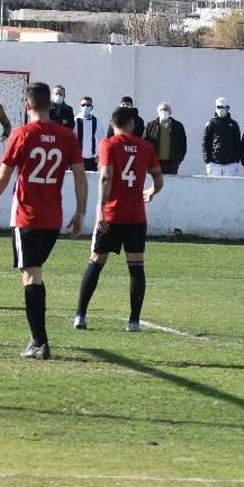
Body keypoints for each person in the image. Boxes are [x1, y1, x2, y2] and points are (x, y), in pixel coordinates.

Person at [0, 82, 88, 360]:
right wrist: (80, 212)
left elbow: (5, 172)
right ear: (51, 105)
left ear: (27, 105)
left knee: (31, 274)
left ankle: (39, 342)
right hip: (53, 218)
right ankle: (38, 338)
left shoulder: (22, 133)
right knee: (33, 272)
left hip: (27, 216)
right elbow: (80, 176)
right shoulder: (67, 136)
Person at [75, 106, 164, 332]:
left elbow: (105, 177)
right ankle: (133, 321)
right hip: (136, 216)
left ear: (113, 124)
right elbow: (159, 180)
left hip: (112, 215)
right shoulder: (146, 147)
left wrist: (101, 209)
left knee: (96, 262)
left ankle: (80, 316)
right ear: (132, 124)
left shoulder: (108, 144)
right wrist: (151, 192)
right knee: (136, 267)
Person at [202, 97, 243, 177]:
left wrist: (236, 160)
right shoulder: (210, 124)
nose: (220, 109)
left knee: (230, 188)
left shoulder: (234, 124)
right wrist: (208, 161)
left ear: (227, 108)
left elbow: (237, 143)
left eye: (222, 107)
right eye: (218, 107)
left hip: (231, 164)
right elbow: (205, 143)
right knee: (213, 188)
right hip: (214, 164)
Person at [144, 102, 187, 175]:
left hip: (171, 163)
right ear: (158, 112)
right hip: (154, 162)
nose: (163, 112)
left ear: (170, 112)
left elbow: (183, 144)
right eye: (161, 110)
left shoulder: (178, 126)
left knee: (170, 185)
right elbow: (145, 143)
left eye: (166, 110)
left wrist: (178, 159)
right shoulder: (150, 126)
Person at [75, 97, 99, 172]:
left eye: (88, 105)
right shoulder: (75, 120)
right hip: (78, 158)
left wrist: (99, 155)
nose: (85, 107)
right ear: (80, 106)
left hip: (92, 159)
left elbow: (101, 139)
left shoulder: (96, 121)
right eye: (83, 105)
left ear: (92, 107)